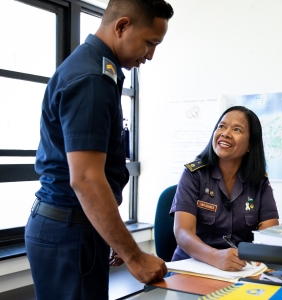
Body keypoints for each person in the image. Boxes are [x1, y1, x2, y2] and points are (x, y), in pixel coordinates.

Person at [24, 0, 173, 299]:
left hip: (76, 224)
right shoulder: (93, 78)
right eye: (149, 43)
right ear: (121, 26)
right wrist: (134, 256)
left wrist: (113, 239)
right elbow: (87, 179)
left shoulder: (97, 68)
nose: (151, 55)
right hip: (69, 227)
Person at [170, 106, 279, 271]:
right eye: (221, 126)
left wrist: (261, 257)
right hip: (191, 267)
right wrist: (215, 257)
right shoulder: (194, 174)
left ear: (250, 144)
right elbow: (183, 232)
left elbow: (269, 234)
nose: (225, 133)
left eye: (237, 129)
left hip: (239, 269)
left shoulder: (259, 181)